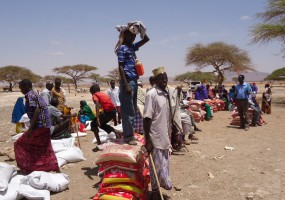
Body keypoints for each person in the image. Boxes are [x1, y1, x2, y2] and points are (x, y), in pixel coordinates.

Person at [143, 67, 182, 200]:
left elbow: (171, 115)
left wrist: (175, 132)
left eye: (165, 77)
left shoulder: (167, 94)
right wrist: (147, 140)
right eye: (161, 78)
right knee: (156, 169)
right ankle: (155, 193)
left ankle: (157, 192)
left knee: (163, 167)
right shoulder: (151, 94)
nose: (164, 80)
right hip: (155, 137)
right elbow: (147, 118)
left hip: (165, 136)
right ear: (155, 80)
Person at [14, 79, 59, 173]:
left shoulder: (30, 95)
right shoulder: (35, 94)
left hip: (39, 125)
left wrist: (31, 128)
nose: (20, 90)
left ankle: (29, 166)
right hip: (46, 124)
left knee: (20, 143)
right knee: (45, 146)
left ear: (26, 87)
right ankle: (52, 166)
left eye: (21, 88)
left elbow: (37, 110)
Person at [116, 22, 150, 145]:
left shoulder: (132, 47)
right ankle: (128, 137)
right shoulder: (122, 48)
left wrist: (140, 28)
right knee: (127, 111)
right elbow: (120, 67)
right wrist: (126, 85)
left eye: (134, 36)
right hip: (128, 81)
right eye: (131, 36)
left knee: (133, 110)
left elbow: (146, 39)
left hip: (134, 81)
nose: (133, 38)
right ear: (125, 35)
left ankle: (130, 135)